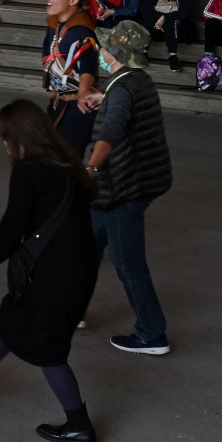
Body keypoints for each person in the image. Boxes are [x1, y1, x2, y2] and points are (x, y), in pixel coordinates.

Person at [0, 100, 100, 442]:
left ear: (16, 136)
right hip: (80, 267)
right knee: (13, 316)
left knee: (48, 349)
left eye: (5, 137)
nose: (5, 145)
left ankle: (79, 424)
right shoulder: (68, 162)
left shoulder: (30, 170)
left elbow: (11, 227)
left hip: (53, 273)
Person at [83, 21, 174, 356]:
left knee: (128, 262)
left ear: (115, 52)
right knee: (87, 246)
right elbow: (121, 102)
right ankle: (74, 310)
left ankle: (152, 334)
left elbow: (111, 133)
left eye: (105, 47)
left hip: (123, 188)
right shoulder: (135, 80)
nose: (101, 52)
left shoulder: (121, 90)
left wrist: (91, 167)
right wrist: (100, 95)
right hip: (139, 181)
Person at [41, 0, 101, 156]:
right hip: (58, 102)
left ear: (74, 0)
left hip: (77, 107)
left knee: (68, 162)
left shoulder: (80, 31)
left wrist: (83, 91)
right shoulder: (56, 24)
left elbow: (87, 66)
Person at [140, 0, 191, 73]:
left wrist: (165, 17)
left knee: (171, 21)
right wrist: (160, 17)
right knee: (148, 20)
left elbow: (183, 13)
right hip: (155, 27)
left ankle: (173, 57)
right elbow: (146, 9)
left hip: (176, 29)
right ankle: (143, 53)